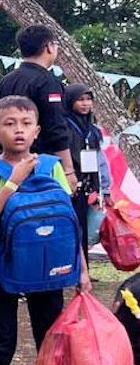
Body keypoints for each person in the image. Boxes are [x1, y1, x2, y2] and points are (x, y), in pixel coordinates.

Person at [0, 95, 91, 365]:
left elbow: (69, 223)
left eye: (25, 124)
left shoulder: (53, 166)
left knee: (50, 337)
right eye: (9, 125)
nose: (18, 131)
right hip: (2, 263)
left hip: (48, 264)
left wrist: (81, 270)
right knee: (3, 337)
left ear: (37, 130)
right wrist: (13, 181)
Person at [0, 25, 76, 193]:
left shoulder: (6, 81)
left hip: (5, 165)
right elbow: (56, 128)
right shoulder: (48, 82)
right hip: (40, 166)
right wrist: (68, 170)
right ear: (48, 47)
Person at [62, 83, 112, 246]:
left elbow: (100, 161)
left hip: (89, 191)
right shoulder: (62, 128)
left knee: (86, 235)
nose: (85, 104)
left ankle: (82, 270)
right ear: (69, 101)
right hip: (67, 189)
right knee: (68, 233)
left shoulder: (93, 130)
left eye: (89, 99)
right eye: (80, 100)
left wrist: (105, 191)